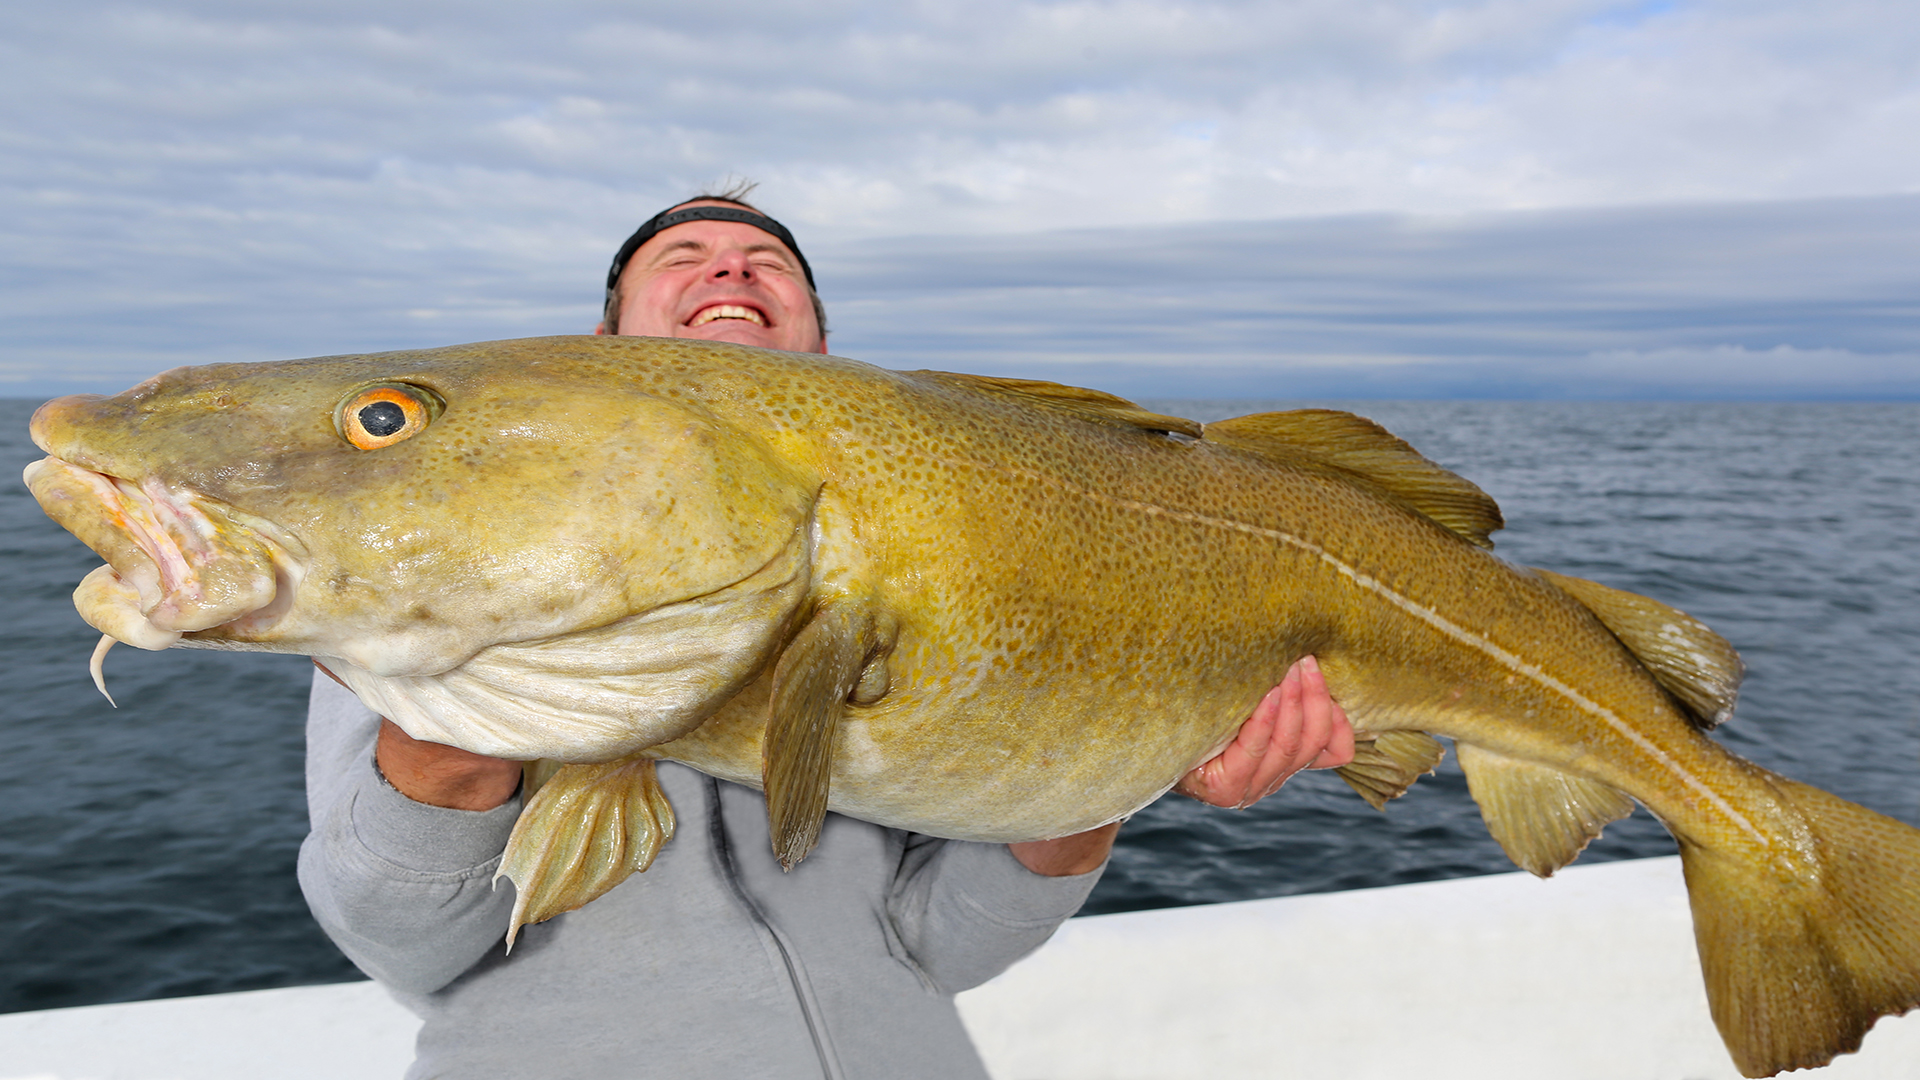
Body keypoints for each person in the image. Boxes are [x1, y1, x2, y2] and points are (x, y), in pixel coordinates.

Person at [299, 191, 1355, 1079]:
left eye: (769, 262)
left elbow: (945, 944)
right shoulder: (414, 590)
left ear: (824, 350)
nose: (733, 271)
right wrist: (452, 740)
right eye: (686, 256)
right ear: (601, 347)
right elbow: (412, 950)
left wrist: (1106, 778)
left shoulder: (953, 533)